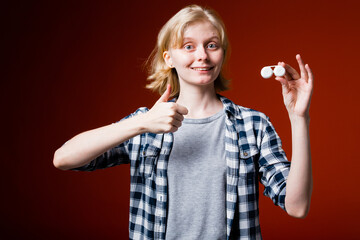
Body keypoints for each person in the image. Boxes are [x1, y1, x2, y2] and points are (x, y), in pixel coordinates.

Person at [53, 4, 313, 240]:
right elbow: (64, 158)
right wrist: (141, 123)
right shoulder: (147, 123)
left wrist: (299, 117)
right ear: (169, 58)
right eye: (188, 46)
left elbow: (297, 207)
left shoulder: (252, 125)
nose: (202, 55)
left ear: (222, 54)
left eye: (211, 45)